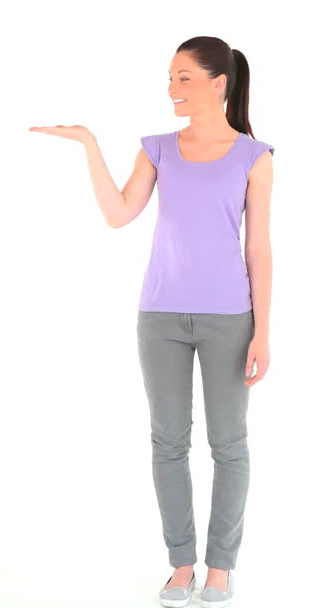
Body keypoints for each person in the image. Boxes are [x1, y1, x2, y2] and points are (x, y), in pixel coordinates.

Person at [28, 36, 273, 608]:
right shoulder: (158, 148)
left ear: (218, 83)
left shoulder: (254, 157)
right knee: (168, 442)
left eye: (184, 77)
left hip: (229, 319)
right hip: (159, 316)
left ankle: (220, 568)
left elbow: (259, 249)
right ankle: (181, 565)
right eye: (169, 77)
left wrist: (263, 330)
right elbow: (118, 214)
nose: (172, 88)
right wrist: (90, 144)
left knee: (228, 444)